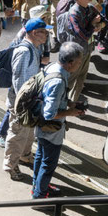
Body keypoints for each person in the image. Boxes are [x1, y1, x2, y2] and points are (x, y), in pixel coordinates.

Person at [32, 42, 85, 202]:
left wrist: (69, 103)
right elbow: (49, 114)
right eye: (79, 61)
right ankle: (39, 197)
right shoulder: (59, 81)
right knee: (48, 164)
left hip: (40, 126)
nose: (80, 64)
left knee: (40, 156)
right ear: (70, 63)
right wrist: (71, 112)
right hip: (50, 131)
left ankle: (38, 186)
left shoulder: (52, 67)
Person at [0, 5, 52, 148]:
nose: (47, 18)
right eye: (44, 17)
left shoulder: (43, 32)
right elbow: (19, 63)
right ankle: (1, 134)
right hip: (22, 84)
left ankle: (26, 136)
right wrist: (23, 95)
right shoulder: (24, 37)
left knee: (23, 112)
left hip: (33, 75)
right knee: (14, 109)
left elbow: (45, 50)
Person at [3, 18, 53, 181]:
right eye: (44, 32)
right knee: (17, 134)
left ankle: (25, 155)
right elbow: (19, 81)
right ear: (34, 33)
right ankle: (10, 165)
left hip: (31, 102)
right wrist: (24, 105)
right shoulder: (24, 51)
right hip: (22, 103)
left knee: (28, 132)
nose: (47, 35)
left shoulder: (34, 48)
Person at [61, 0, 105, 102]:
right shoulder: (74, 13)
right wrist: (92, 25)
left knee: (81, 78)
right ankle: (61, 104)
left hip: (87, 49)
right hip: (76, 52)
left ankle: (72, 104)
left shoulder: (90, 8)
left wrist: (100, 24)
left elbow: (104, 19)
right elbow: (83, 35)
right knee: (70, 79)